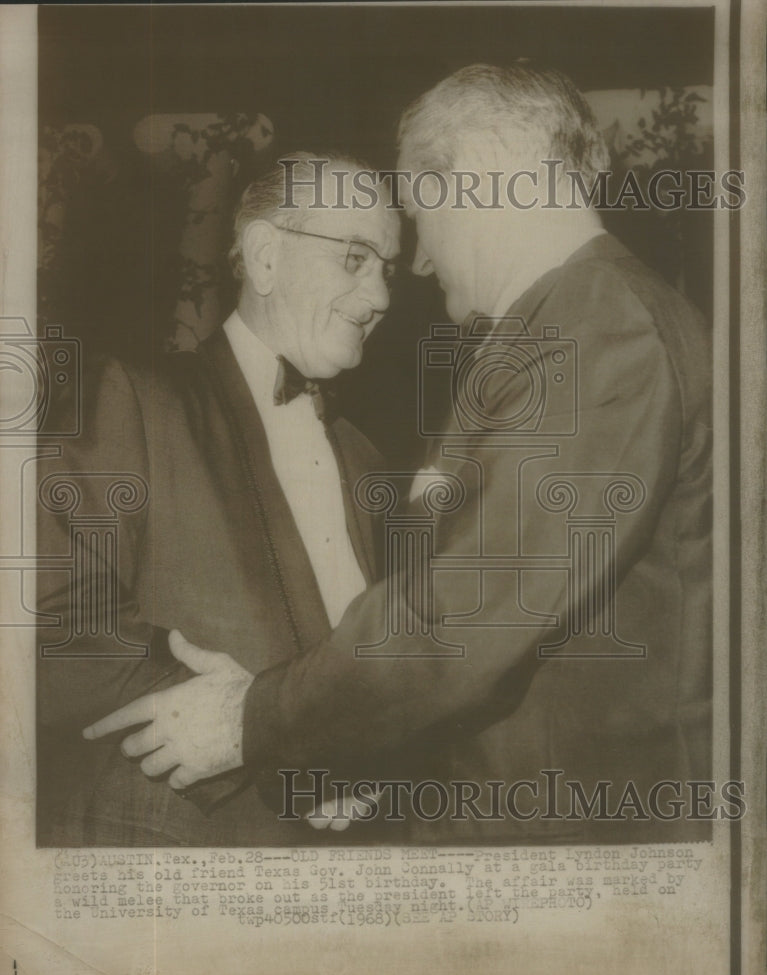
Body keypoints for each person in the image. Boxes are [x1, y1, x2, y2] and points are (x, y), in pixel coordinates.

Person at [88, 63, 712, 844]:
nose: (414, 268)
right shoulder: (585, 321)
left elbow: (463, 617)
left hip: (564, 839)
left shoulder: (597, 329)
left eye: (420, 219)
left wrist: (253, 720)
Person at [36, 152, 400, 846]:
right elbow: (47, 623)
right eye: (355, 258)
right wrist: (262, 737)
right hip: (168, 842)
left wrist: (367, 750)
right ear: (264, 256)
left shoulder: (366, 460)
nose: (380, 295)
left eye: (387, 265)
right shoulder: (132, 398)